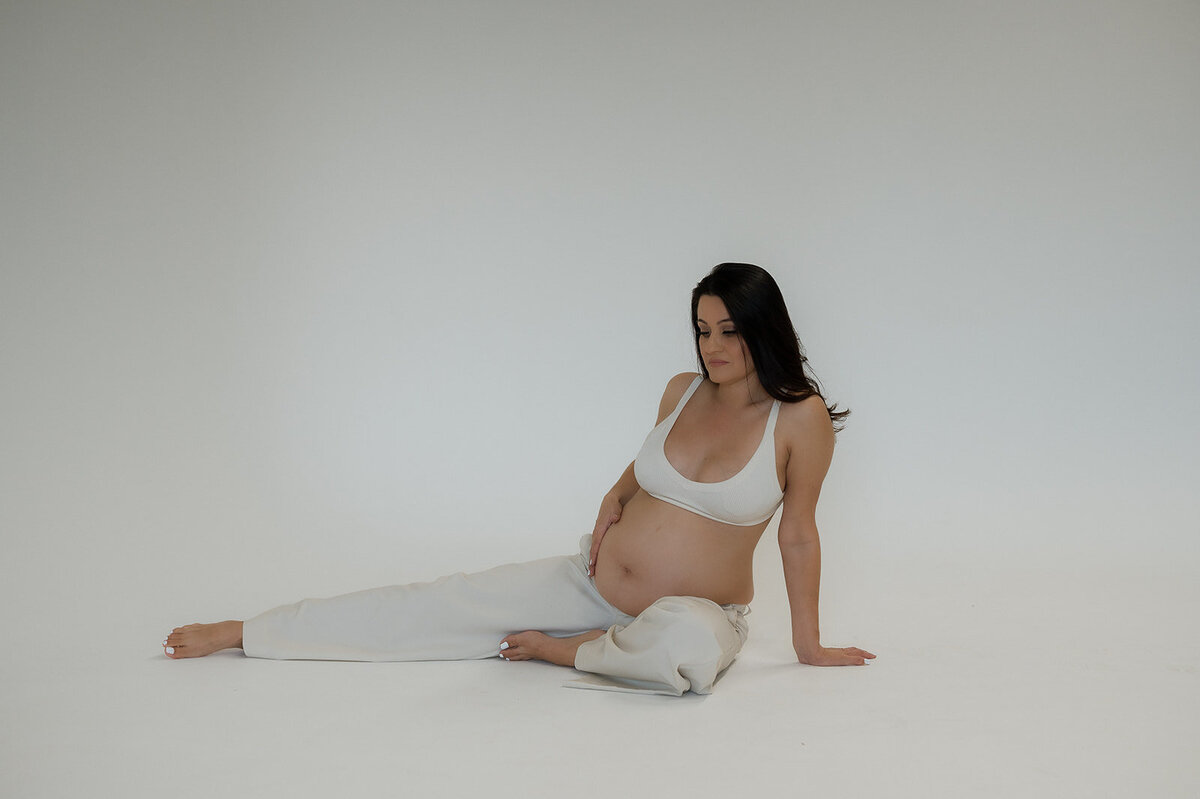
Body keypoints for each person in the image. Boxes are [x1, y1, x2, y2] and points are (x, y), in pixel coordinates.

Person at [163, 263, 874, 695]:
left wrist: (808, 645)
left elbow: (799, 532)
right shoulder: (680, 389)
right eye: (702, 329)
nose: (713, 346)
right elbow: (642, 471)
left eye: (728, 330)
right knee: (445, 600)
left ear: (762, 327)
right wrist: (610, 503)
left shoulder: (797, 417)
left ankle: (567, 651)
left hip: (699, 613)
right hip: (592, 583)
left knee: (685, 648)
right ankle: (250, 631)